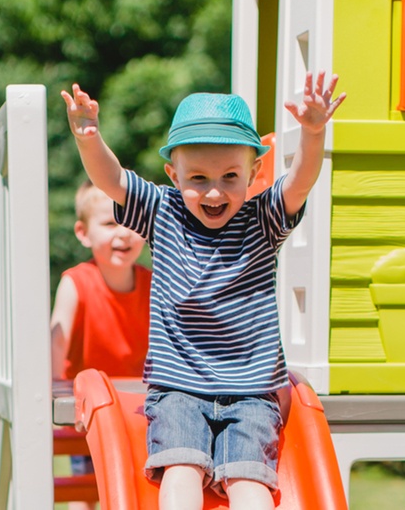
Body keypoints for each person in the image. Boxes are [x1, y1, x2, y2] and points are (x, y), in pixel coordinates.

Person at [61, 71, 345, 510]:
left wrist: (313, 132)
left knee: (250, 486)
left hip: (252, 393)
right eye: (198, 178)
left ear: (254, 173)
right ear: (174, 175)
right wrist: (89, 137)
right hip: (178, 389)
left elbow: (300, 181)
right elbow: (111, 179)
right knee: (181, 472)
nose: (214, 191)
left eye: (230, 176)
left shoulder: (261, 219)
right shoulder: (162, 211)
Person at [50, 180, 152, 510]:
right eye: (110, 223)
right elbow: (57, 343)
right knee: (85, 489)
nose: (123, 232)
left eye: (132, 222)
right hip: (86, 411)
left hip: (136, 410)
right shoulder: (76, 282)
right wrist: (56, 396)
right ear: (83, 233)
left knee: (135, 489)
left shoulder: (154, 284)